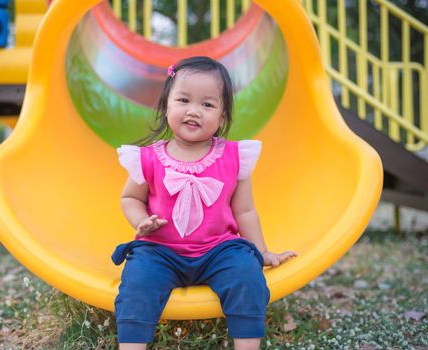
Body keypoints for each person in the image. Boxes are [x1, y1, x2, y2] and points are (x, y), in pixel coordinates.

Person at [112, 56, 297, 350]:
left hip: (218, 250)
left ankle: (247, 344)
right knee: (137, 281)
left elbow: (245, 210)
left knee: (246, 273)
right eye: (183, 100)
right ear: (167, 106)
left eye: (207, 105)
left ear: (222, 117)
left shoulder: (236, 157)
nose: (193, 111)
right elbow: (130, 198)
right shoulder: (148, 158)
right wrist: (140, 221)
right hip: (160, 250)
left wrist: (261, 252)